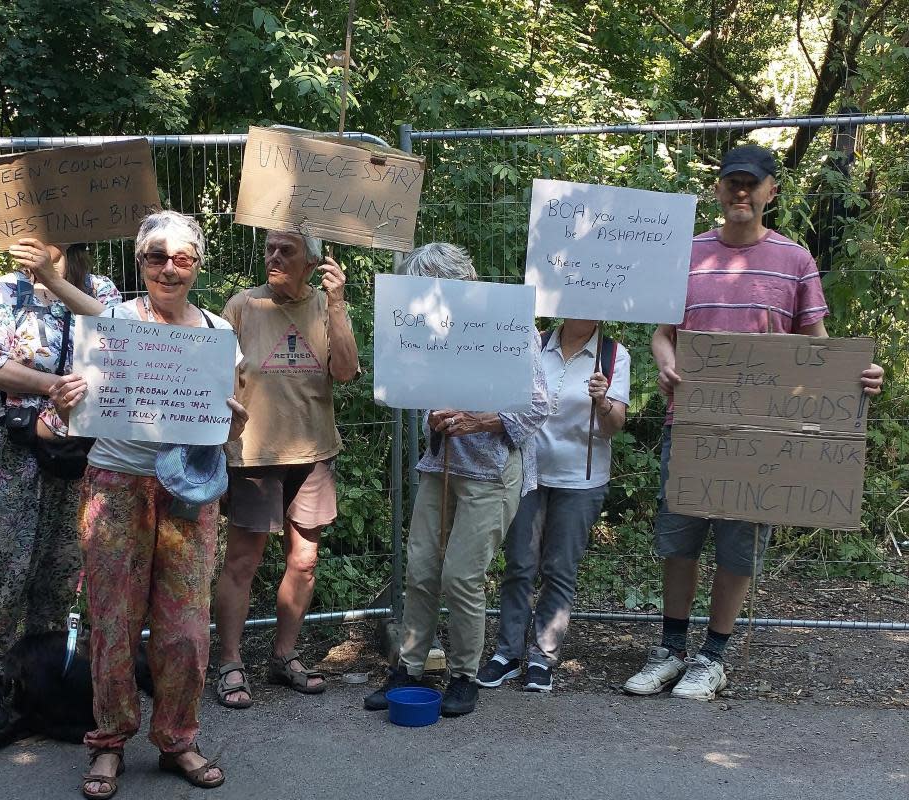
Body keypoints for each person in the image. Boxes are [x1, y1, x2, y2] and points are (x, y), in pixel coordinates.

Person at [623, 143, 884, 701]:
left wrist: (857, 377)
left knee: (738, 547)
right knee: (679, 541)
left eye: (752, 183)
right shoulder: (685, 254)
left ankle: (712, 657)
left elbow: (817, 348)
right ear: (718, 189)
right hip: (690, 425)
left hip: (764, 434)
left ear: (771, 191)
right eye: (732, 182)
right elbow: (662, 333)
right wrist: (665, 362)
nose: (741, 192)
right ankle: (670, 650)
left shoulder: (795, 261)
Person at [45, 211, 246, 798]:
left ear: (198, 266)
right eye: (156, 256)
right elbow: (70, 302)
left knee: (184, 629)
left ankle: (177, 738)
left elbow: (226, 426)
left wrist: (235, 427)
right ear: (140, 263)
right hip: (116, 486)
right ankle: (108, 743)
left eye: (181, 258)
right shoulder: (113, 324)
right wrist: (66, 397)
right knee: (114, 621)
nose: (168, 268)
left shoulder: (215, 334)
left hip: (187, 494)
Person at [363, 242, 549, 717]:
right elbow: (415, 389)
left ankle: (465, 675)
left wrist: (477, 421)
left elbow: (537, 406)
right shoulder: (426, 330)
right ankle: (409, 668)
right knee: (421, 570)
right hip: (441, 465)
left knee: (461, 576)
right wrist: (433, 418)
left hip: (491, 471)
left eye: (430, 288)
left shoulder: (510, 327)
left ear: (458, 283)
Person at [0, 238, 121, 734]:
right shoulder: (8, 290)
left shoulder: (101, 290)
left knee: (62, 569)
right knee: (8, 567)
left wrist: (57, 283)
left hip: (82, 452)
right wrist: (50, 387)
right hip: (17, 452)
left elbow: (125, 344)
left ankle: (41, 678)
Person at [212, 229, 359, 708]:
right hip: (254, 456)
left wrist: (337, 307)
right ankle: (230, 663)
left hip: (313, 452)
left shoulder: (324, 307)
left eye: (286, 251)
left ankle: (284, 655)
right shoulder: (242, 307)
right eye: (270, 248)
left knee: (305, 561)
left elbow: (345, 372)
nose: (273, 257)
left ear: (311, 264)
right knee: (242, 562)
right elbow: (217, 376)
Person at [477, 319, 630, 693]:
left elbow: (615, 426)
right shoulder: (535, 342)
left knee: (559, 569)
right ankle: (507, 654)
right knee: (519, 565)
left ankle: (542, 657)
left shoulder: (613, 355)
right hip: (528, 472)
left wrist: (603, 401)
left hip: (581, 480)